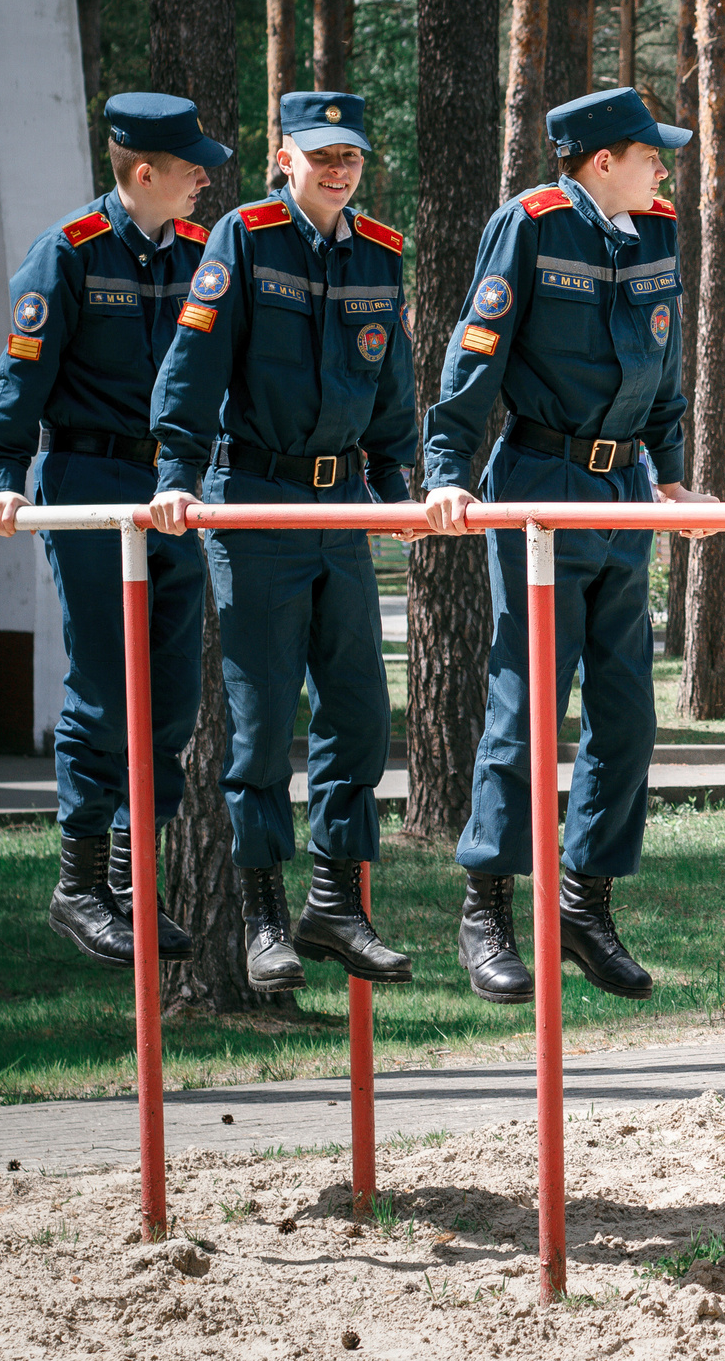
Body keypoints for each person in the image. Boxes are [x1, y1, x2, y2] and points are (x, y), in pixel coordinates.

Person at [419, 86, 712, 1006]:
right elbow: (477, 350)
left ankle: (583, 904)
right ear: (601, 161)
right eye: (650, 153)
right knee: (528, 706)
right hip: (541, 481)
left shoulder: (656, 229)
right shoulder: (533, 225)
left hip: (624, 489)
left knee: (628, 715)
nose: (662, 167)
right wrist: (446, 469)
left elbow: (664, 362)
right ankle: (487, 909)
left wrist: (672, 474)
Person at [145, 91, 418, 992]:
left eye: (351, 156)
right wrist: (177, 474)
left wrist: (397, 489)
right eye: (322, 154)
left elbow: (393, 388)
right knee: (263, 721)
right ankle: (264, 916)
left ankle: (334, 902)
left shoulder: (380, 252)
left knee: (360, 711)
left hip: (340, 509)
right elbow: (194, 362)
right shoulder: (245, 238)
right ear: (285, 156)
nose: (339, 170)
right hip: (255, 500)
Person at [0, 93, 231, 969]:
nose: (205, 179)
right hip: (90, 480)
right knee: (103, 683)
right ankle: (79, 885)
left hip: (175, 489)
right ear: (145, 172)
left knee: (171, 692)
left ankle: (131, 881)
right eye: (192, 167)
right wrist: (4, 480)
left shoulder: (200, 253)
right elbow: (22, 374)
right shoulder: (70, 252)